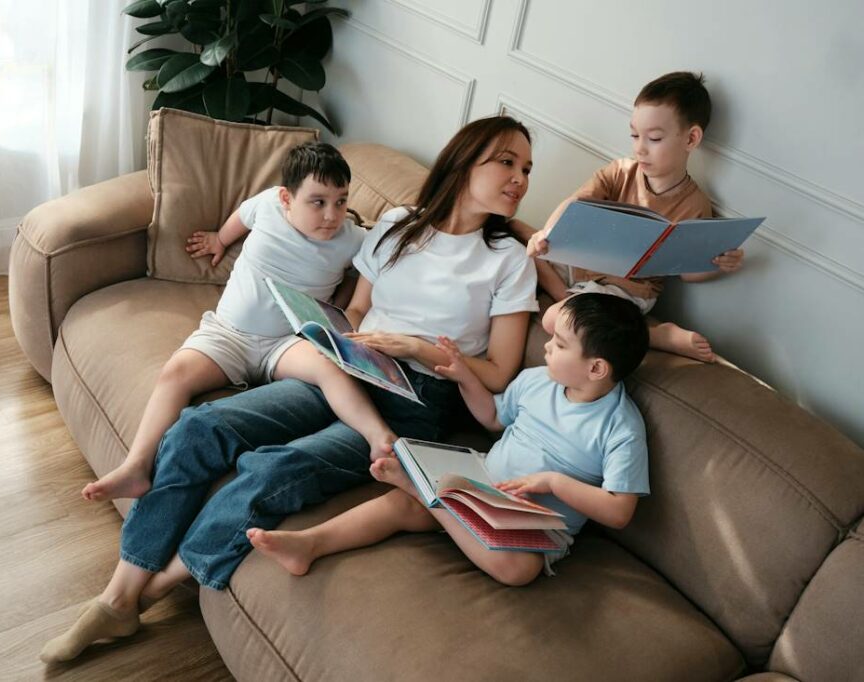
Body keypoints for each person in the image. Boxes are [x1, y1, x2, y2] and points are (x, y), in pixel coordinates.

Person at [41, 115, 540, 663]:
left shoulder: (508, 261)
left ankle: (144, 595)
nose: (520, 178)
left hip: (420, 399)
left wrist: (422, 350)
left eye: (527, 170)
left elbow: (497, 372)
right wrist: (338, 339)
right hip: (353, 368)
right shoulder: (398, 225)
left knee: (275, 470)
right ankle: (120, 592)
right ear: (464, 162)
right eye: (507, 162)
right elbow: (354, 309)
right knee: (200, 427)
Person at [248, 292, 650, 586]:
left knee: (519, 571)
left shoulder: (621, 428)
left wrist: (554, 483)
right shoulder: (537, 382)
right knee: (396, 505)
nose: (546, 346)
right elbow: (492, 418)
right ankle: (309, 543)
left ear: (596, 367)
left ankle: (430, 496)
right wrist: (464, 377)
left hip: (532, 526)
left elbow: (619, 512)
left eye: (560, 344)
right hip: (482, 481)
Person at [81, 142, 395, 503]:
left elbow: (380, 260)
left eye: (341, 201)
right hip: (228, 334)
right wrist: (219, 239)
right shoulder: (267, 206)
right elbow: (242, 217)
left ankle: (379, 437)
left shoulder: (352, 240)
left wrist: (347, 306)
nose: (331, 215)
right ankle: (136, 467)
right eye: (318, 202)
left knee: (329, 367)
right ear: (286, 198)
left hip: (287, 342)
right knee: (175, 373)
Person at [523, 71, 742, 363]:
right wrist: (547, 232)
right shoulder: (620, 171)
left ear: (691, 138)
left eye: (654, 138)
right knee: (519, 249)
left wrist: (718, 262)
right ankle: (567, 293)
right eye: (634, 135)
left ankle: (655, 335)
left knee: (554, 320)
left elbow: (688, 272)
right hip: (583, 267)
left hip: (626, 290)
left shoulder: (694, 203)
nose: (639, 147)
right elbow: (575, 203)